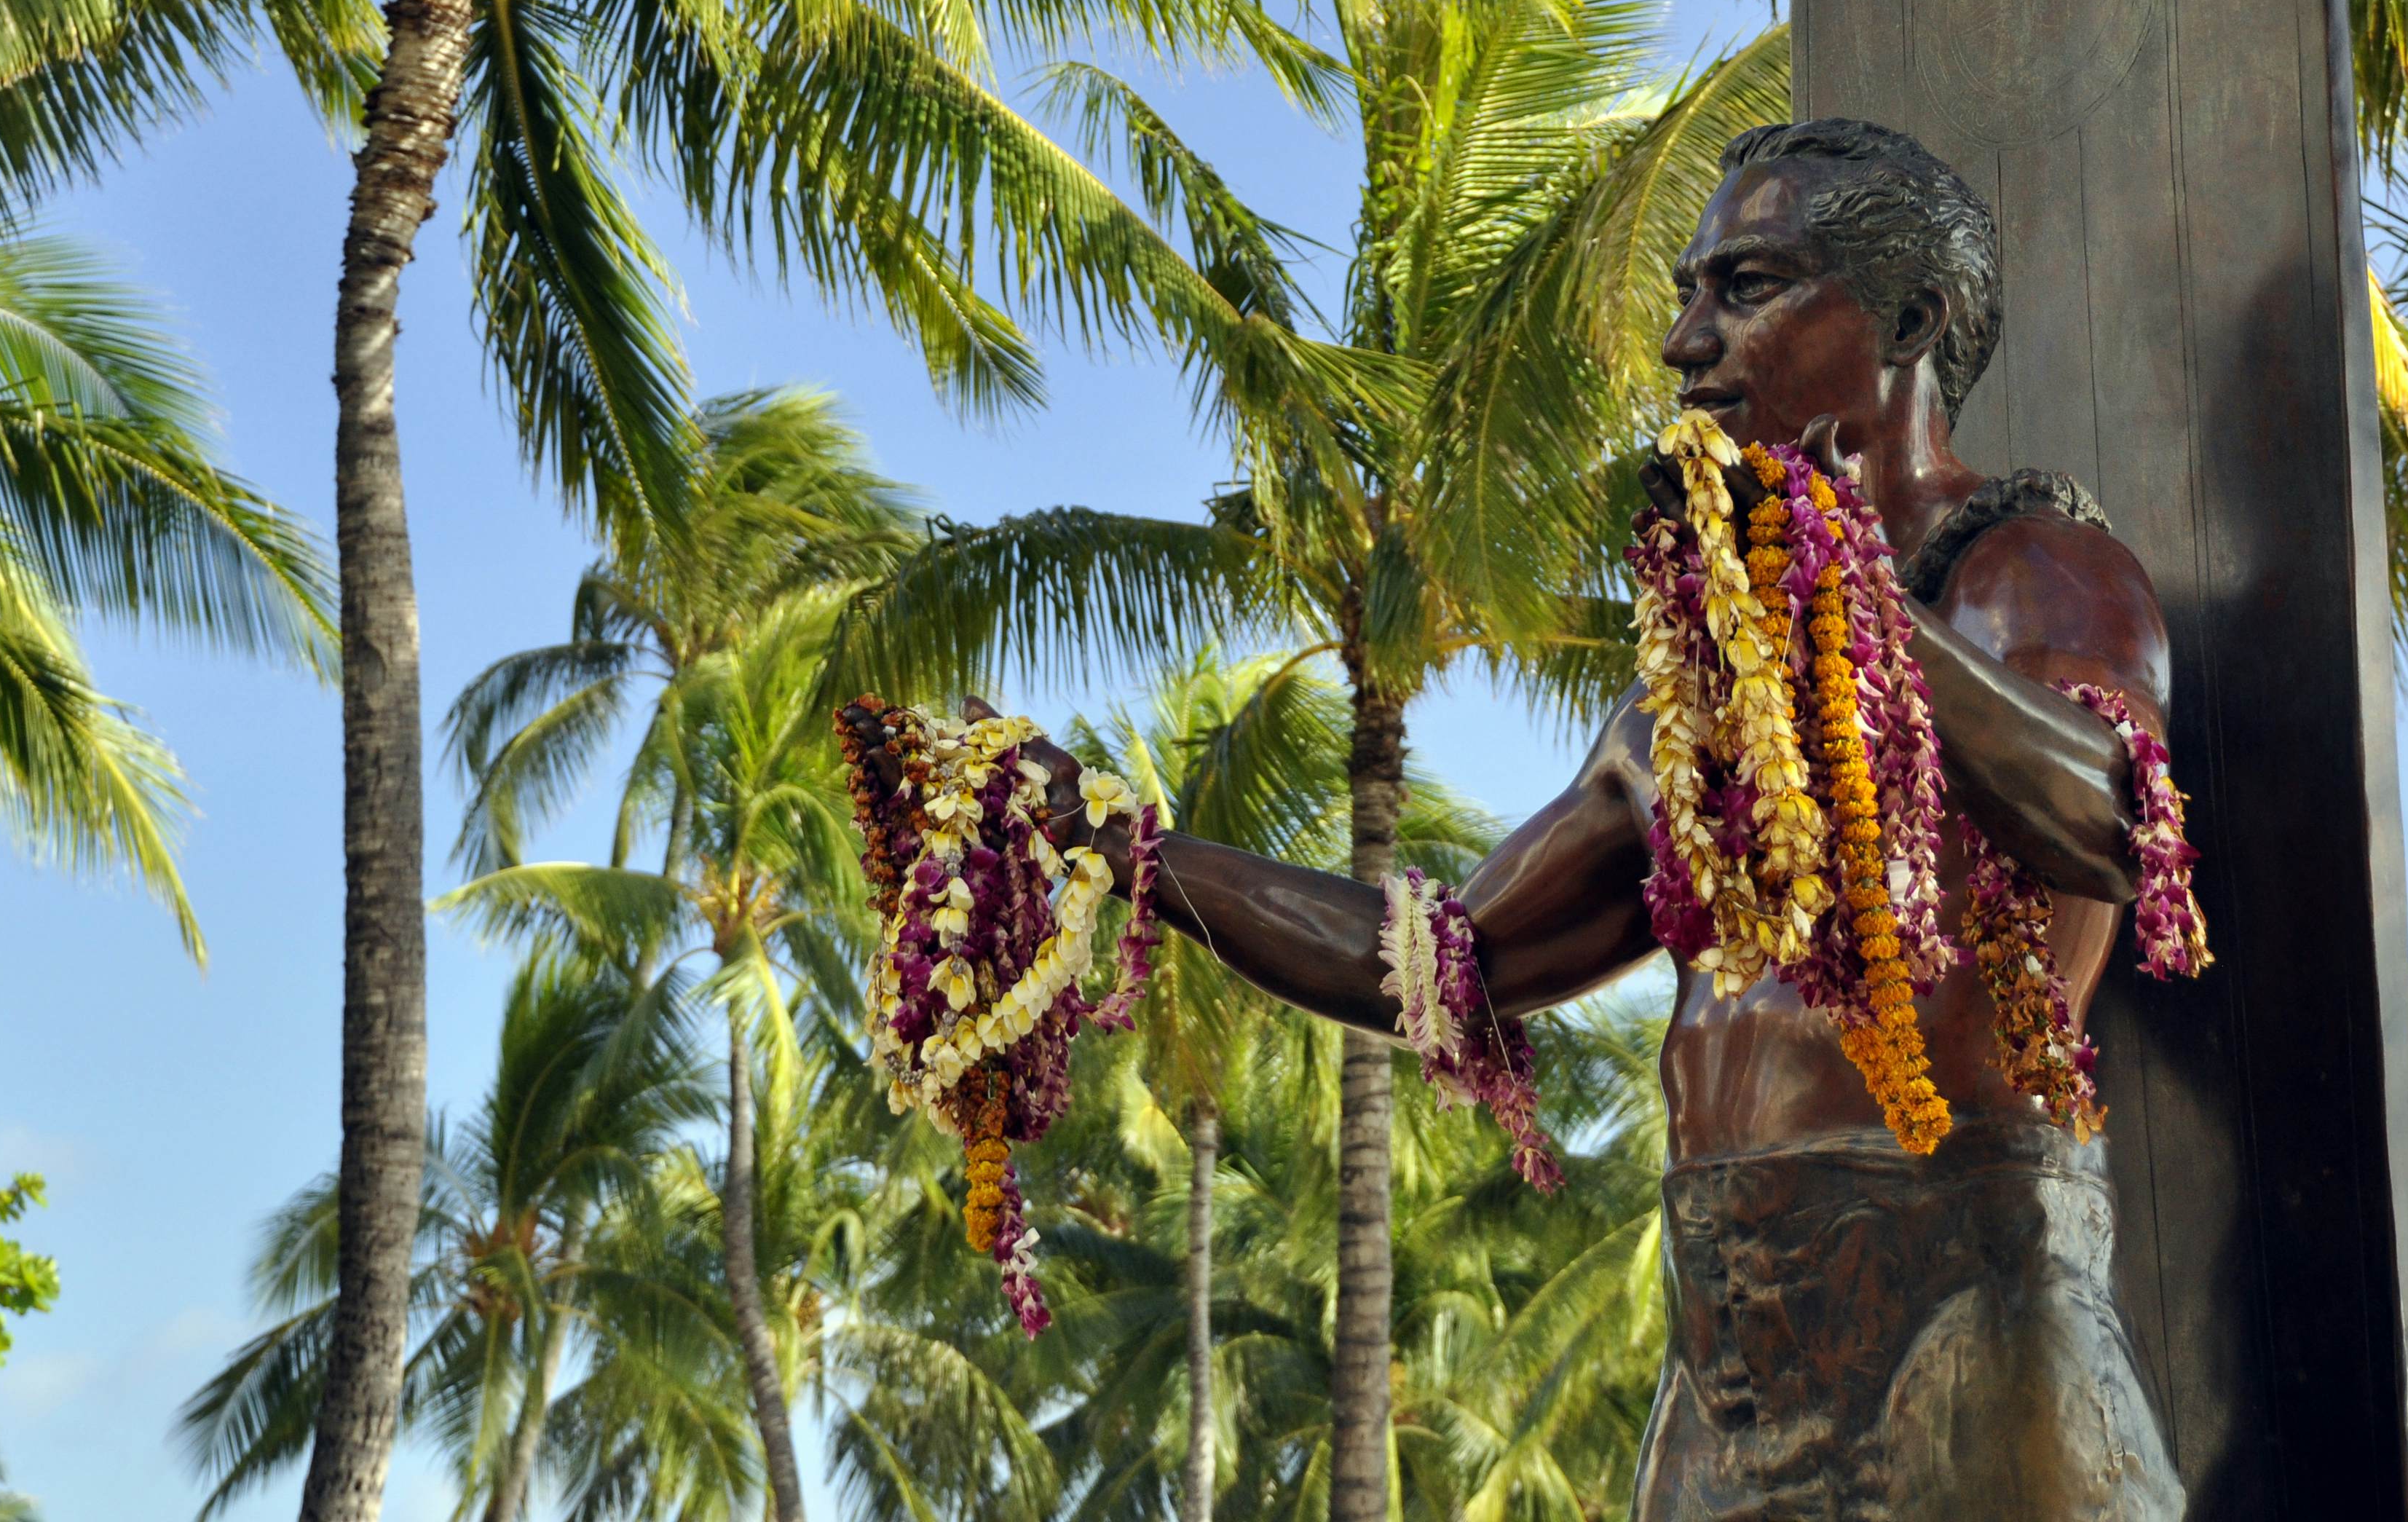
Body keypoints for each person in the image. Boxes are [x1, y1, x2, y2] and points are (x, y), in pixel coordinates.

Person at [912, 118, 2189, 1520]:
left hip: (1971, 1301)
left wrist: (1867, 608)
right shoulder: (1693, 702)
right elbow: (1450, 962)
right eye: (1690, 292)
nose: (1684, 344)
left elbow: (2121, 826)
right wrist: (1125, 854)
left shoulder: (2026, 572)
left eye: (1745, 288)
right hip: (1729, 1350)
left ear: (1909, 319)